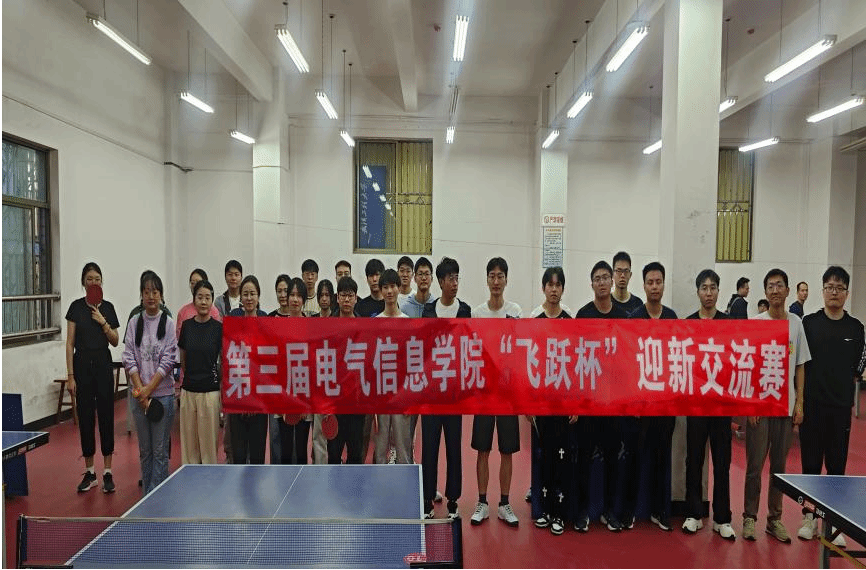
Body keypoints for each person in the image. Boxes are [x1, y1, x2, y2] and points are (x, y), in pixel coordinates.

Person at [797, 266, 865, 546]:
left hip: (840, 408)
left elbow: (859, 364)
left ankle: (834, 523)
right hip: (813, 406)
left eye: (839, 288)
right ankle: (808, 518)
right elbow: (800, 363)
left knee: (837, 466)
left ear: (846, 293)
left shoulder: (856, 328)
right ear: (823, 290)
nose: (834, 292)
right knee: (810, 465)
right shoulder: (809, 323)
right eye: (829, 287)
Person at [742, 268, 810, 543]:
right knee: (754, 466)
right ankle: (749, 517)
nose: (775, 290)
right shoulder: (756, 323)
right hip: (761, 406)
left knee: (779, 468)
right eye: (770, 286)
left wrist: (799, 402)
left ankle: (774, 519)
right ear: (765, 291)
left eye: (779, 285)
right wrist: (751, 405)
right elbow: (748, 365)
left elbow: (800, 365)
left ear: (787, 290)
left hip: (785, 406)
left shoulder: (796, 323)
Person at [573, 261, 629, 533]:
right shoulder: (583, 315)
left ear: (612, 281)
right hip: (588, 401)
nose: (603, 282)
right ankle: (583, 510)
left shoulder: (623, 317)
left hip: (613, 402)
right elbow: (574, 360)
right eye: (598, 278)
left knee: (612, 459)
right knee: (584, 458)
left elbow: (628, 360)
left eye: (606, 277)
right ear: (592, 283)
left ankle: (609, 511)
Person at [681, 269, 736, 540]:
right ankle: (693, 514)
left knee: (722, 462)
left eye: (713, 287)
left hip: (722, 405)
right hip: (696, 405)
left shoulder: (729, 324)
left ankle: (722, 518)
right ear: (698, 292)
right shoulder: (688, 324)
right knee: (694, 459)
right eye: (704, 288)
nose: (709, 293)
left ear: (718, 291)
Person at [469, 257, 522, 528]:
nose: (496, 281)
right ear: (487, 279)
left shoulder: (515, 311)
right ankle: (482, 502)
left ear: (506, 280)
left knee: (507, 450)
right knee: (482, 449)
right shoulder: (477, 313)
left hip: (507, 394)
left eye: (501, 276)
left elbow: (517, 351)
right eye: (492, 276)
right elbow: (474, 352)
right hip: (485, 393)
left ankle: (504, 503)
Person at [627, 262, 678, 532]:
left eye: (658, 282)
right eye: (650, 282)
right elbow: (628, 361)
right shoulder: (634, 318)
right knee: (635, 458)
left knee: (661, 458)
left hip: (665, 404)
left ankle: (659, 511)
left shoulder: (672, 318)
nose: (654, 286)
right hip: (640, 404)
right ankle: (630, 511)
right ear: (644, 285)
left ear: (664, 285)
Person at [422, 258, 472, 520]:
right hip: (431, 394)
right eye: (450, 278)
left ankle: (453, 500)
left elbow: (469, 348)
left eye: (457, 278)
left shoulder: (465, 311)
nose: (454, 283)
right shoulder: (428, 312)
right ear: (440, 282)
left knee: (454, 448)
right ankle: (428, 498)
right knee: (429, 448)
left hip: (454, 394)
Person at [66, 262, 121, 493]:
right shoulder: (75, 308)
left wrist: (103, 321)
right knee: (86, 418)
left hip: (103, 365)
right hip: (82, 366)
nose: (93, 282)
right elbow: (69, 343)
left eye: (97, 278)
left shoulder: (108, 307)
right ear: (83, 282)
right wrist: (71, 376)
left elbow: (115, 340)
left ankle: (107, 472)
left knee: (107, 416)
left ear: (101, 281)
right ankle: (90, 473)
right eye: (89, 279)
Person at [122, 271, 178, 494]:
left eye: (155, 292)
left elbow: (168, 360)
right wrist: (140, 391)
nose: (151, 296)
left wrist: (148, 390)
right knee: (145, 452)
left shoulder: (169, 323)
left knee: (160, 452)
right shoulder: (134, 322)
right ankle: (147, 496)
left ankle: (158, 499)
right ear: (141, 295)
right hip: (139, 398)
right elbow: (128, 357)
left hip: (162, 397)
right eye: (147, 292)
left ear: (161, 295)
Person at [530, 266, 572, 536]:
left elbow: (577, 364)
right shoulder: (534, 320)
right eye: (550, 285)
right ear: (543, 288)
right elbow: (530, 364)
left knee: (561, 458)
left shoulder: (570, 321)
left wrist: (575, 403)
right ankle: (544, 510)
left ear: (562, 289)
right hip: (541, 403)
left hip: (563, 404)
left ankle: (559, 513)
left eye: (558, 285)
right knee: (544, 457)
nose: (554, 289)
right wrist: (529, 403)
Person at [178, 280, 222, 465]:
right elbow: (183, 359)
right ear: (194, 299)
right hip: (188, 391)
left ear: (212, 300)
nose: (204, 302)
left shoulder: (218, 328)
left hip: (210, 392)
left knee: (208, 448)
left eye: (207, 297)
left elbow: (222, 360)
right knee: (190, 448)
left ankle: (209, 480)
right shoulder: (187, 326)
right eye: (200, 297)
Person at [373, 269, 414, 468]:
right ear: (381, 291)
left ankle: (405, 483)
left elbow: (411, 362)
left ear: (399, 288)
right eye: (385, 287)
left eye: (392, 286)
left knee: (403, 449)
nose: (389, 291)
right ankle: (379, 483)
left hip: (401, 393)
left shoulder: (408, 322)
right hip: (381, 393)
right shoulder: (375, 323)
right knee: (380, 449)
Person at [228, 275, 269, 464]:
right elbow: (230, 362)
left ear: (258, 296)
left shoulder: (266, 323)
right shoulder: (233, 324)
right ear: (241, 298)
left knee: (257, 456)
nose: (249, 298)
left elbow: (267, 364)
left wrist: (253, 399)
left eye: (253, 293)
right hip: (237, 397)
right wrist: (243, 399)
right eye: (245, 294)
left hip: (259, 400)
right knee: (238, 455)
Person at [327, 276, 366, 464]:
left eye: (350, 295)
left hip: (356, 399)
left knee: (355, 452)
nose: (347, 299)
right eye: (343, 295)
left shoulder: (364, 327)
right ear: (337, 298)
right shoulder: (327, 326)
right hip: (335, 399)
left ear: (356, 298)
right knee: (333, 453)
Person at [399, 256, 435, 465]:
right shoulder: (405, 308)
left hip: (431, 379)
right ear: (414, 278)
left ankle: (427, 477)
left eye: (426, 274)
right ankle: (407, 468)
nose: (423, 278)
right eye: (419, 274)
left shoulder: (437, 306)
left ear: (432, 278)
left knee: (430, 435)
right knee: (407, 430)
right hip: (411, 378)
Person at [274, 277, 312, 464]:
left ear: (304, 299)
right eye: (292, 295)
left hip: (305, 395)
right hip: (284, 397)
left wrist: (305, 402)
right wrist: (283, 401)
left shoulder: (312, 327)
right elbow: (277, 367)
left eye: (299, 296)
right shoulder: (278, 328)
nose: (295, 299)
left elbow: (313, 367)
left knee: (302, 451)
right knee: (286, 452)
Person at [215, 260, 243, 463]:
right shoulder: (219, 302)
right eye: (230, 274)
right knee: (229, 412)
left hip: (246, 363)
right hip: (226, 363)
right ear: (225, 277)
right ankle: (230, 455)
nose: (233, 278)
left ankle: (245, 454)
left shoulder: (247, 299)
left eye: (236, 274)